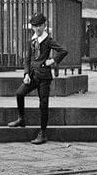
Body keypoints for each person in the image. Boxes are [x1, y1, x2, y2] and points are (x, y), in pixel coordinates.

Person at [8, 13, 68, 144]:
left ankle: (43, 133)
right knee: (19, 93)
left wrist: (52, 61)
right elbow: (27, 59)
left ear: (45, 26)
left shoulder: (48, 40)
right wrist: (26, 74)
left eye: (40, 26)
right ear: (32, 27)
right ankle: (21, 119)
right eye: (35, 26)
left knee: (43, 104)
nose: (38, 29)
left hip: (44, 78)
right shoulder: (32, 40)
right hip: (33, 76)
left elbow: (63, 51)